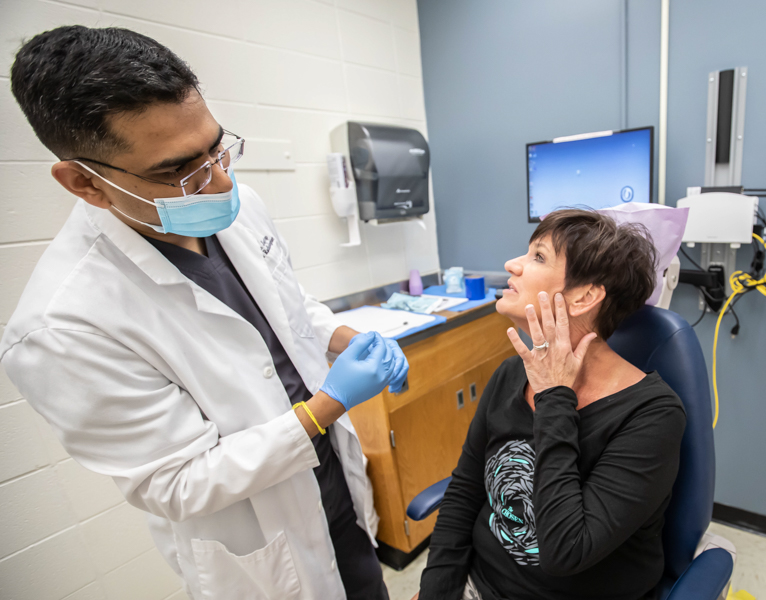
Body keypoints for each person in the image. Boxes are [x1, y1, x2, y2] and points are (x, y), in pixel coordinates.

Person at [0, 26, 409, 600]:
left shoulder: (235, 209)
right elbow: (176, 483)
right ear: (84, 184)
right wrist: (327, 406)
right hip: (263, 541)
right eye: (176, 171)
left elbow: (287, 314)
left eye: (217, 148)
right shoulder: (62, 325)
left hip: (334, 486)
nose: (219, 182)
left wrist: (346, 339)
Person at [416, 210, 686, 600]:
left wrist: (555, 397)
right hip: (479, 584)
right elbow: (464, 493)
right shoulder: (510, 375)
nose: (512, 265)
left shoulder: (652, 416)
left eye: (538, 257)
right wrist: (435, 592)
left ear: (585, 297)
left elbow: (565, 550)